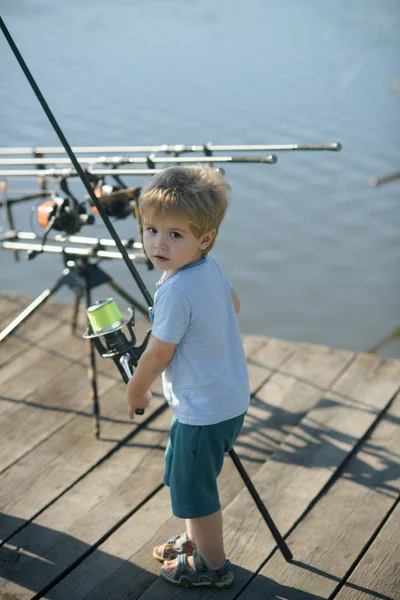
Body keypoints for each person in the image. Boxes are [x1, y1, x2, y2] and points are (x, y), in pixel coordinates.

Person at [126, 165, 250, 589]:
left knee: (196, 494)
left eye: (174, 235)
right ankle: (196, 542)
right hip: (226, 398)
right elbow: (232, 306)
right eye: (151, 230)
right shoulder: (206, 268)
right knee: (183, 472)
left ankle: (214, 566)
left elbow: (158, 354)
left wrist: (136, 388)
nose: (158, 243)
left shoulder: (176, 290)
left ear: (204, 238)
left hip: (204, 411)